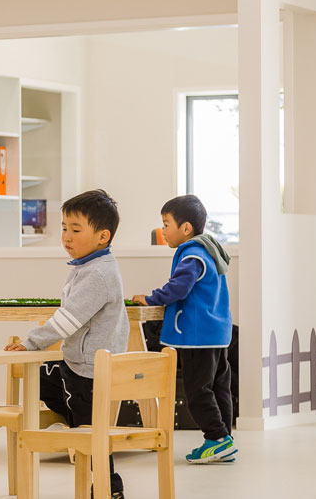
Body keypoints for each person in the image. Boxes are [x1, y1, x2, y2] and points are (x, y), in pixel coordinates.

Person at [5, 189, 129, 499]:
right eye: (63, 228)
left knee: (92, 434)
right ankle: (72, 420)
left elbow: (67, 320)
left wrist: (32, 343)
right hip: (80, 363)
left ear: (103, 236)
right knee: (43, 378)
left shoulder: (98, 274)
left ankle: (108, 486)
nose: (66, 237)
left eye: (75, 230)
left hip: (88, 370)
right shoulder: (88, 268)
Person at [132, 194, 236, 464]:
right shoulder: (209, 251)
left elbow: (179, 287)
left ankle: (216, 438)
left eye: (166, 224)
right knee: (218, 387)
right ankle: (224, 438)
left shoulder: (192, 254)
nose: (163, 231)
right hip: (217, 334)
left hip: (197, 336)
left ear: (186, 228)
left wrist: (151, 298)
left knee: (198, 391)